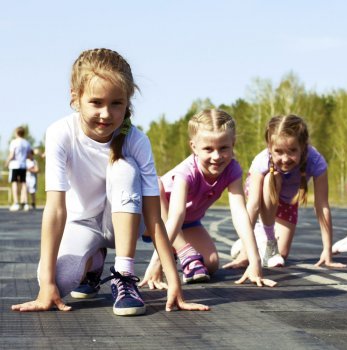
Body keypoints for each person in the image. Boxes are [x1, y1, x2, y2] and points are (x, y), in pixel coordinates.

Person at [11, 48, 208, 316]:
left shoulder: (136, 141)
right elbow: (55, 210)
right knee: (57, 282)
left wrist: (174, 282)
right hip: (82, 224)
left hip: (125, 225)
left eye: (116, 103)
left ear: (128, 101)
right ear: (75, 98)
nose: (106, 114)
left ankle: (124, 276)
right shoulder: (60, 133)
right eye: (96, 102)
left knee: (123, 169)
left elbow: (154, 218)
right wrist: (46, 285)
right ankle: (93, 263)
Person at [140, 109, 276, 290]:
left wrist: (255, 260)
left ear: (233, 143)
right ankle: (180, 251)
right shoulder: (186, 172)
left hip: (188, 223)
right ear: (194, 147)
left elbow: (240, 214)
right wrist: (158, 262)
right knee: (155, 185)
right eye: (208, 149)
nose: (216, 156)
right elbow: (176, 215)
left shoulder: (232, 169)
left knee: (210, 264)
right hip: (153, 220)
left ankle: (179, 252)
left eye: (223, 148)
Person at [230, 114, 346, 269]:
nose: (285, 159)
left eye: (292, 151)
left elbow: (322, 206)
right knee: (273, 178)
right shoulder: (262, 161)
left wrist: (327, 251)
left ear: (303, 147)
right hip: (262, 192)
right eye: (278, 152)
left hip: (287, 200)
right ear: (269, 147)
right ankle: (267, 240)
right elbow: (253, 207)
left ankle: (259, 236)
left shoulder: (316, 161)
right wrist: (245, 253)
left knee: (282, 254)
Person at [5, 126, 31, 211]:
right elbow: (29, 155)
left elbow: (12, 155)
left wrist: (7, 162)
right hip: (23, 165)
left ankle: (16, 203)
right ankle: (25, 203)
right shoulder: (26, 143)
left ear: (16, 133)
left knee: (15, 183)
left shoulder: (14, 142)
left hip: (15, 165)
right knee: (23, 184)